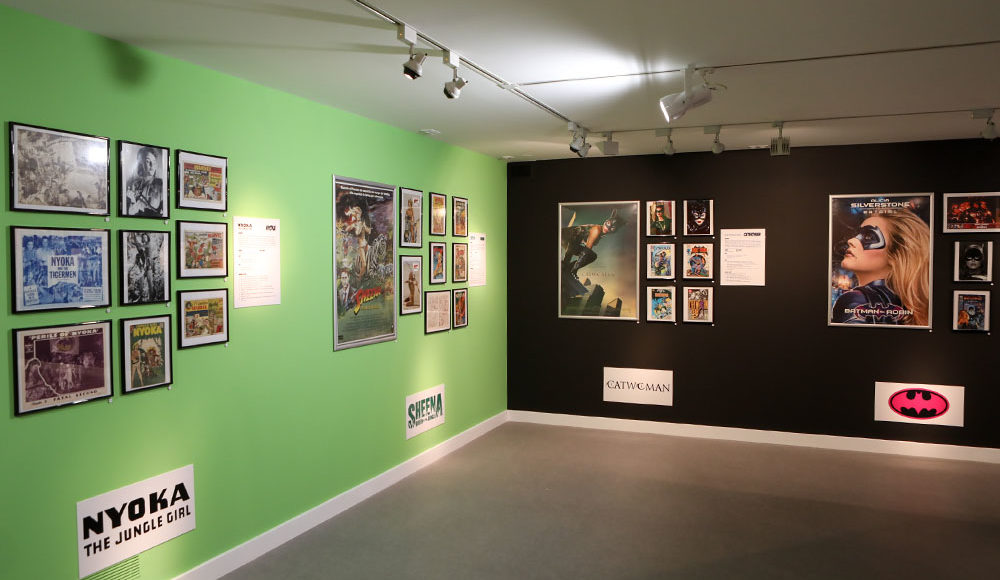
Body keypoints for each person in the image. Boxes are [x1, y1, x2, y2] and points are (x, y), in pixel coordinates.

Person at [831, 210, 929, 325]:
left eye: (868, 236)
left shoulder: (855, 300)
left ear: (895, 254)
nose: (851, 240)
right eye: (857, 234)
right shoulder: (909, 307)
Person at [561, 210, 624, 280]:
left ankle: (569, 267)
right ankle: (570, 268)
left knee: (591, 255)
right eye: (608, 223)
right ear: (605, 221)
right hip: (563, 238)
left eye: (613, 227)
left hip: (570, 242)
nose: (608, 227)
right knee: (589, 254)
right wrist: (574, 270)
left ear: (615, 231)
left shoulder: (599, 232)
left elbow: (580, 242)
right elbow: (586, 251)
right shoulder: (597, 230)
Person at [125, 146, 165, 217]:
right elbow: (130, 213)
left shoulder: (161, 185)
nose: (152, 165)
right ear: (141, 163)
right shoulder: (134, 185)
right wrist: (132, 200)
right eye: (147, 161)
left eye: (154, 162)